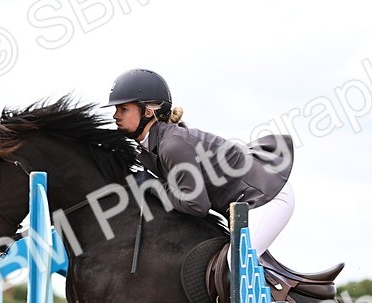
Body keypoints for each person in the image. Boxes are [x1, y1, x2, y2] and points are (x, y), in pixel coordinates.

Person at [105, 68, 296, 259]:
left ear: (147, 111)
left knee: (234, 263)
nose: (116, 116)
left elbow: (196, 205)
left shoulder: (171, 145)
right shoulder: (154, 146)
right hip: (245, 202)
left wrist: (152, 185)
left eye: (123, 109)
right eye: (116, 110)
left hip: (267, 196)